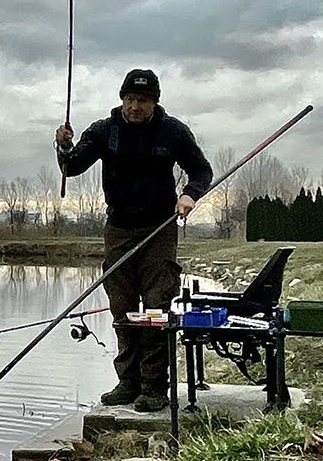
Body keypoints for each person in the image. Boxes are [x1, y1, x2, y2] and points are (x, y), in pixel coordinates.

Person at [55, 68, 212, 413]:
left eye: (142, 100)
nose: (134, 106)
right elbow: (73, 166)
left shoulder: (173, 132)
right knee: (122, 307)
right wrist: (63, 145)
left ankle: (155, 387)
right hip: (119, 228)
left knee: (156, 307)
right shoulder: (103, 131)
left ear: (154, 102)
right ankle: (128, 383)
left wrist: (190, 195)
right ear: (121, 99)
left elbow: (202, 170)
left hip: (160, 227)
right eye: (129, 99)